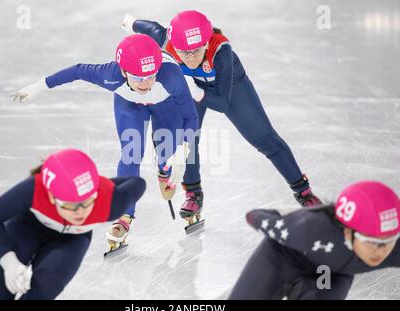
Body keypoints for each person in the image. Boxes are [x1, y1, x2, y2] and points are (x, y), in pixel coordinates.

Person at [122, 10, 322, 222]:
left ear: (206, 43)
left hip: (229, 89)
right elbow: (151, 28)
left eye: (196, 51)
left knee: (264, 138)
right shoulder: (168, 43)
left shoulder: (221, 50)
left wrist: (195, 91)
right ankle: (193, 193)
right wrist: (131, 22)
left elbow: (222, 103)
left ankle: (303, 191)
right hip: (193, 89)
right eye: (184, 52)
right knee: (186, 139)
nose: (190, 58)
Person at [12, 34, 199, 249]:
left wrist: (183, 149)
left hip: (165, 103)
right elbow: (77, 71)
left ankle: (164, 169)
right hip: (130, 105)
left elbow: (191, 117)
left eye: (151, 76)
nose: (146, 83)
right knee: (131, 152)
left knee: (168, 154)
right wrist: (40, 86)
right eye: (138, 78)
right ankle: (124, 216)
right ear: (122, 71)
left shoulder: (171, 77)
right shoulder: (109, 75)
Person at [0, 148, 146, 300]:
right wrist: (7, 260)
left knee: (44, 288)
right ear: (50, 196)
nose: (80, 212)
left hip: (71, 240)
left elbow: (139, 183)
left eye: (87, 201)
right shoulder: (33, 189)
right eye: (69, 205)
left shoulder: (110, 202)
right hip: (27, 227)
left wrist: (98, 183)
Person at [229, 180, 400, 299]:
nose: (382, 250)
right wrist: (293, 216)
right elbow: (256, 215)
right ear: (348, 232)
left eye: (390, 240)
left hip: (327, 273)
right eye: (372, 241)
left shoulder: (394, 250)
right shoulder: (307, 230)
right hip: (282, 258)